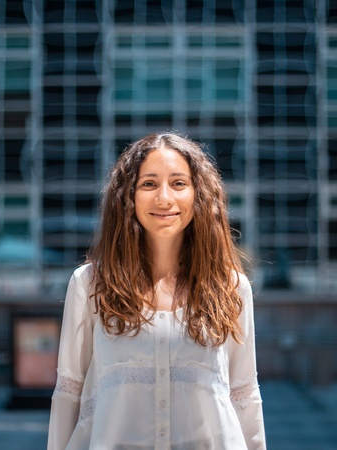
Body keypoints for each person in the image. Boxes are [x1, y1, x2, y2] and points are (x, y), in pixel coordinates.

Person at [47, 132, 266, 450]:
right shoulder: (89, 285)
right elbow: (69, 392)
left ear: (198, 194)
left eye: (179, 183)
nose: (164, 199)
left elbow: (245, 395)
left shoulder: (231, 288)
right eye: (149, 184)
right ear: (129, 196)